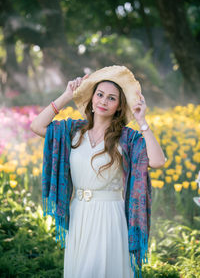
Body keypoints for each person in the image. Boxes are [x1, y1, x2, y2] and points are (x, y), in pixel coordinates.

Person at [30, 65, 166, 278]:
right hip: (79, 214)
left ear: (119, 106)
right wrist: (67, 95)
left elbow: (157, 161)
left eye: (112, 98)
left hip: (109, 216)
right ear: (92, 99)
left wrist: (142, 121)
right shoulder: (73, 131)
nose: (103, 101)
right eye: (100, 95)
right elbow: (37, 126)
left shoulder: (127, 139)